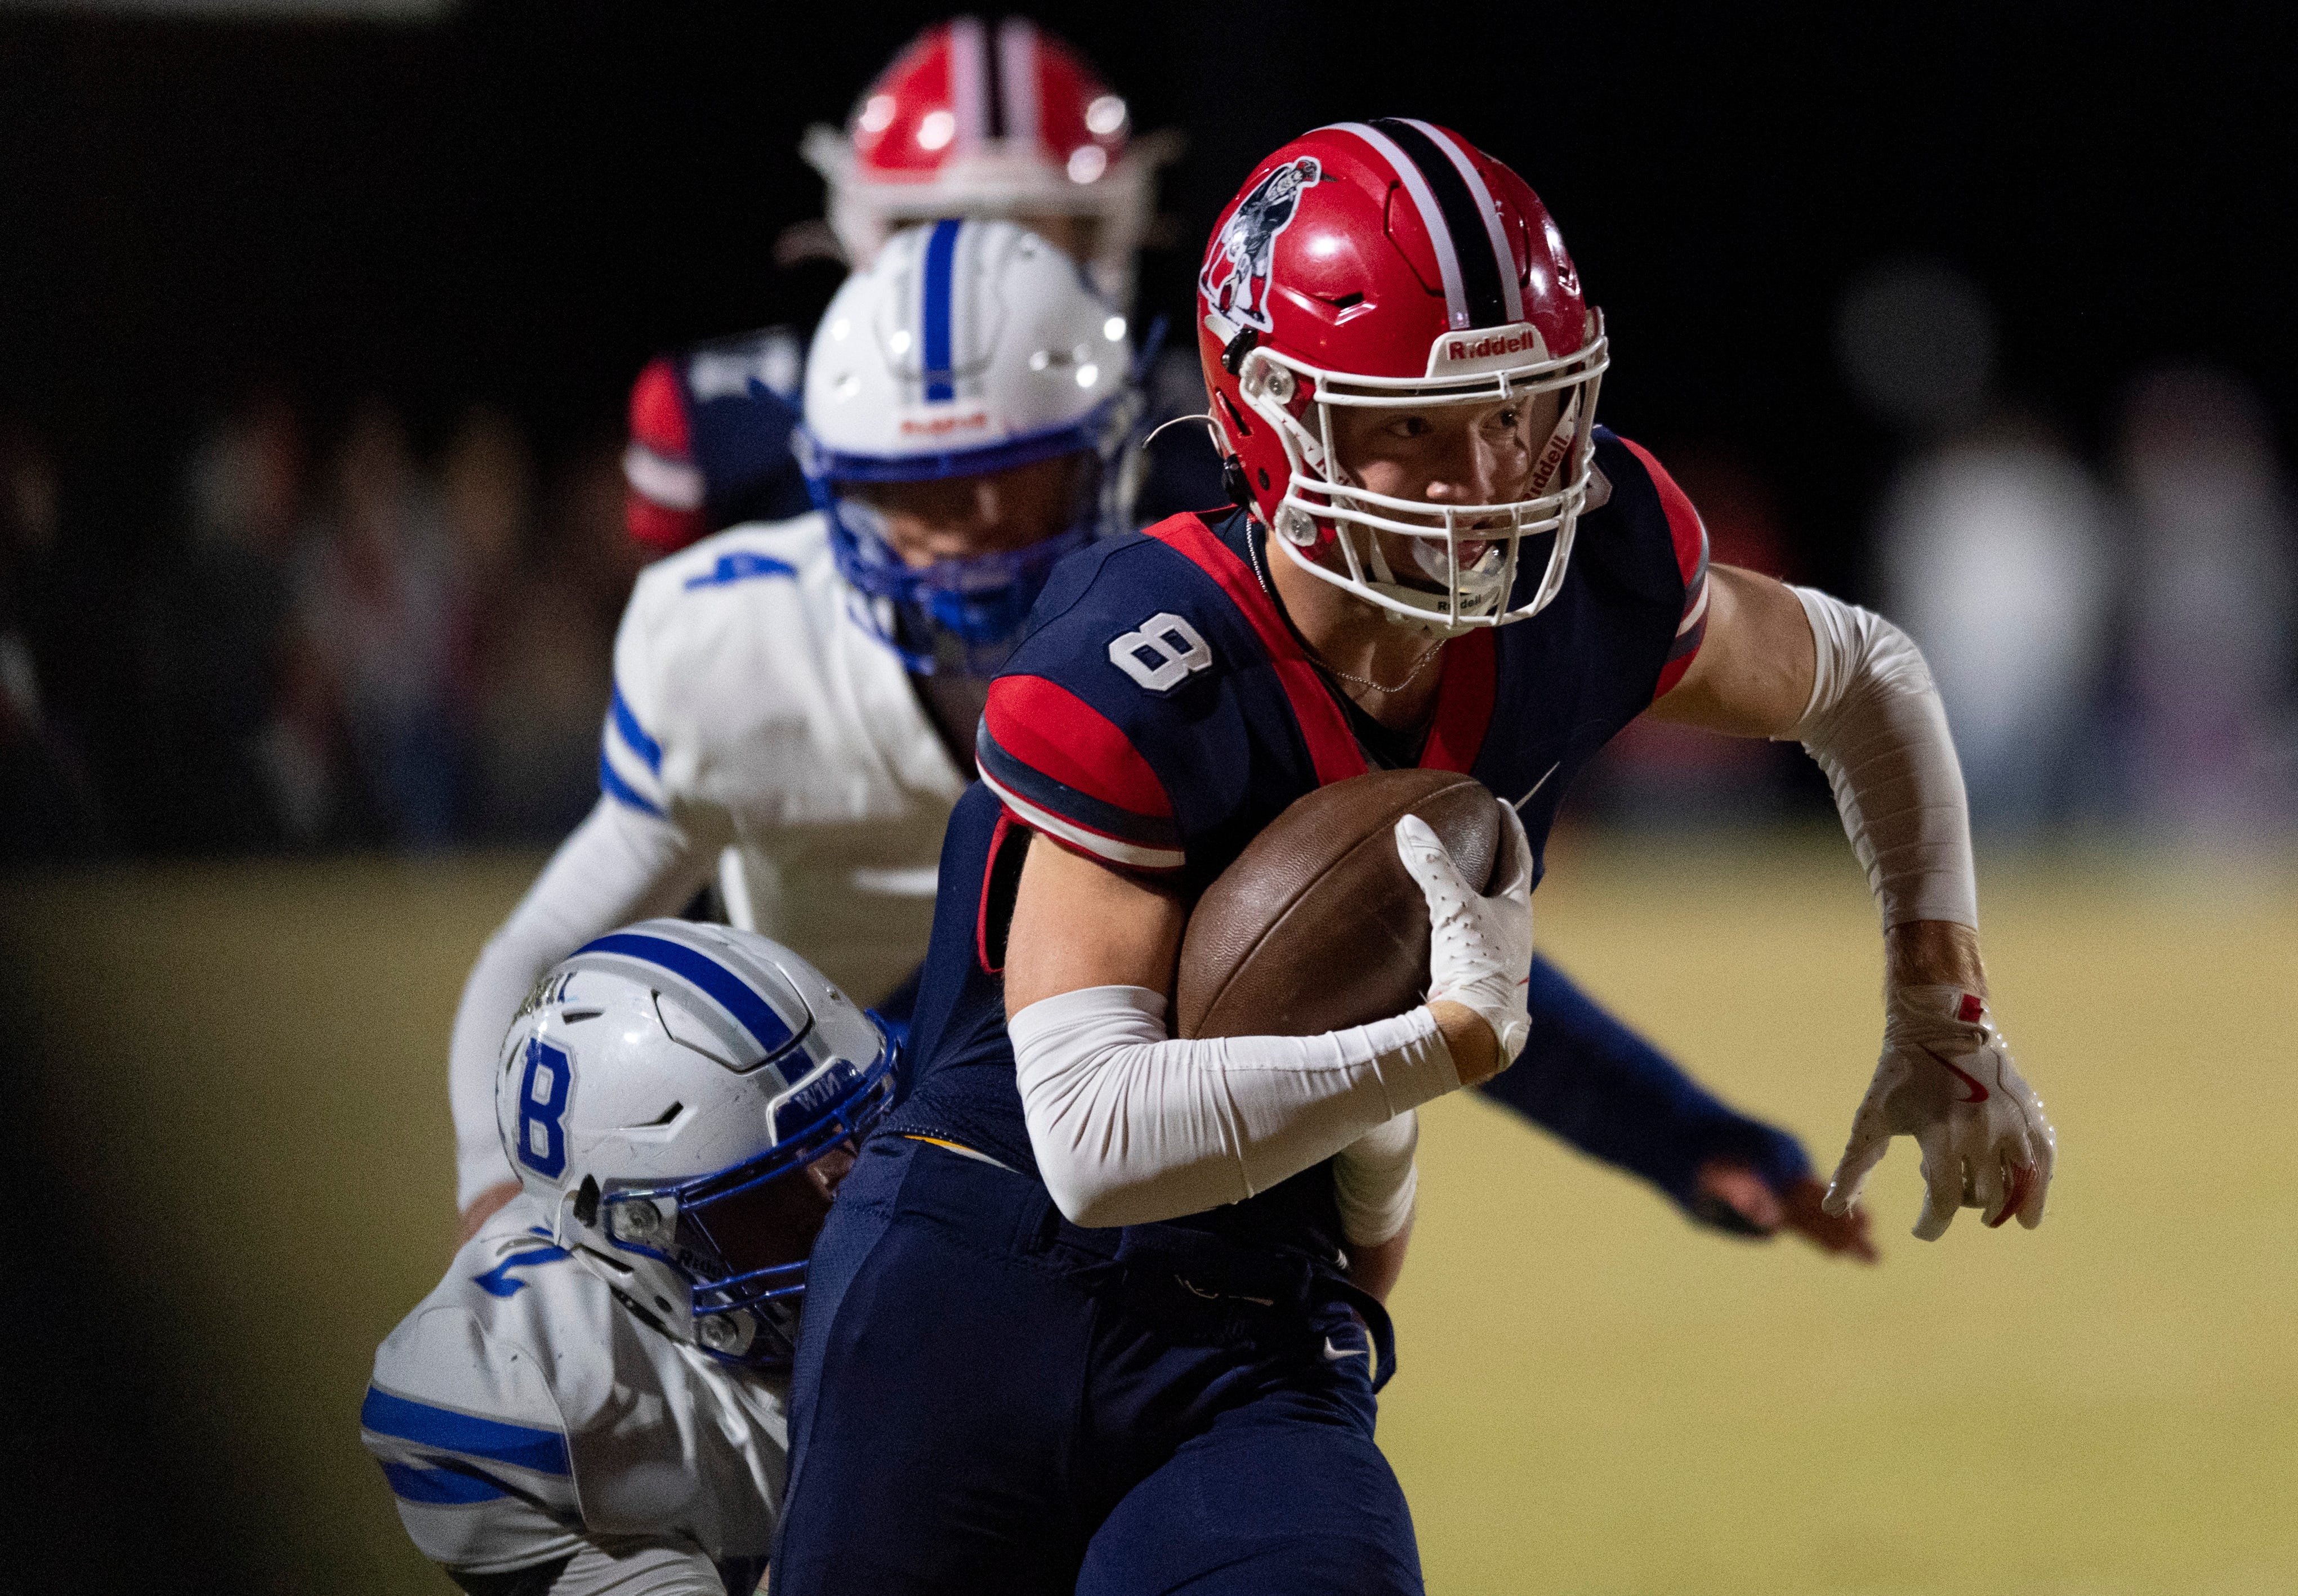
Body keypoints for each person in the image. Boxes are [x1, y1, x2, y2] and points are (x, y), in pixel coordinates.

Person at [771, 122, 2056, 1595]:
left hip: (1252, 1322)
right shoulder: (1144, 659)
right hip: (974, 1289)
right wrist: (1436, 1047)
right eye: (1416, 428)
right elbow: (1091, 1136)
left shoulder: (1591, 572)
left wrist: (1936, 1002)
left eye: (1520, 409)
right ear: (1272, 416)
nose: (1492, 474)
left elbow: (1864, 675)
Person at [448, 221, 1861, 1278]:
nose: (972, 539)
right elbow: (561, 942)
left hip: (1126, 1155)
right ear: (830, 491)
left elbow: (1393, 934)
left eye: (1023, 480)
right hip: (798, 1142)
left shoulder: (1204, 626)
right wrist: (492, 1196)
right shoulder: (736, 648)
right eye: (919, 496)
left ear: (1121, 448)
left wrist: (1674, 1131)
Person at [364, 920, 895, 1596]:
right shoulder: (526, 1393)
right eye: (773, 1188)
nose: (846, 1207)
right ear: (636, 1231)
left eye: (861, 1137)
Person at [624, 16, 1179, 558]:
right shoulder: (720, 415)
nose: (978, 271)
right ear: (861, 225)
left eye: (1030, 230)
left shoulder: (1200, 420)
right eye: (940, 227)